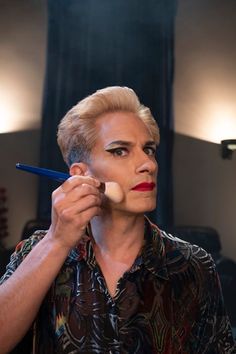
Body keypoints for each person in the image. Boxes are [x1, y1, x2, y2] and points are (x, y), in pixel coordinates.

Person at [0, 86, 235, 354]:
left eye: (148, 149)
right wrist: (56, 241)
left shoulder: (194, 266)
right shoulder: (34, 252)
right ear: (80, 175)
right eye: (120, 151)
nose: (148, 164)